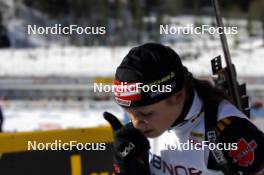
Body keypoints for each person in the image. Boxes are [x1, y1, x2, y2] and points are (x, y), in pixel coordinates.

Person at [103, 43, 264, 175]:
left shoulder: (229, 132)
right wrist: (126, 168)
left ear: (177, 97)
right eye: (129, 114)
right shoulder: (145, 129)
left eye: (146, 113)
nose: (136, 124)